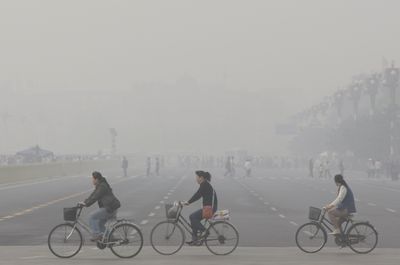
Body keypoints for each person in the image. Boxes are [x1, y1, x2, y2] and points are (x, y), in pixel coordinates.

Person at [79, 171, 121, 241]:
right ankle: (110, 237)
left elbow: (95, 197)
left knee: (92, 216)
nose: (92, 181)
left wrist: (86, 204)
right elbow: (92, 195)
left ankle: (96, 235)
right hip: (110, 208)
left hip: (109, 209)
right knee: (100, 224)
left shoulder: (102, 186)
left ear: (97, 179)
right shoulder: (100, 186)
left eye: (93, 179)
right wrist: (84, 202)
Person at [182, 171, 218, 246]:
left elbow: (197, 195)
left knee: (192, 217)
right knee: (194, 218)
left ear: (201, 178)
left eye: (196, 177)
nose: (196, 179)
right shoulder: (205, 184)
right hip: (208, 207)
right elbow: (198, 194)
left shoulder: (204, 184)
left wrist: (188, 202)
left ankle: (204, 231)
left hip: (209, 209)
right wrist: (188, 202)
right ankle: (194, 239)